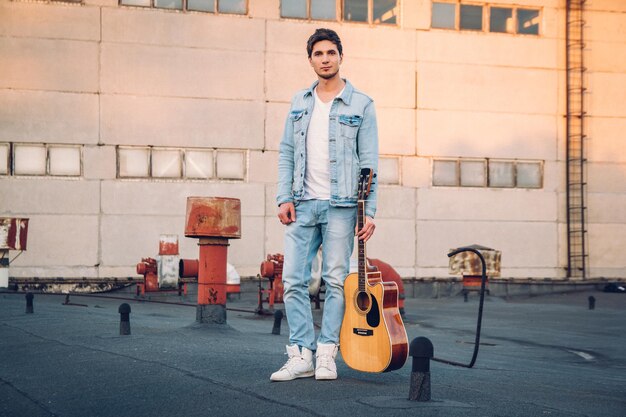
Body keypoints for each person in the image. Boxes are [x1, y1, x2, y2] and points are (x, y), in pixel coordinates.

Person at [271, 28, 379, 382]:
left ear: (341, 56)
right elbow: (287, 151)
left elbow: (370, 162)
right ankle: (301, 353)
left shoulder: (361, 104)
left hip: (342, 206)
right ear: (311, 60)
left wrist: (371, 211)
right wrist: (284, 196)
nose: (325, 59)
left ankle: (327, 355)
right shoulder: (299, 102)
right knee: (293, 281)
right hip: (302, 204)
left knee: (335, 281)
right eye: (318, 54)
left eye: (331, 52)